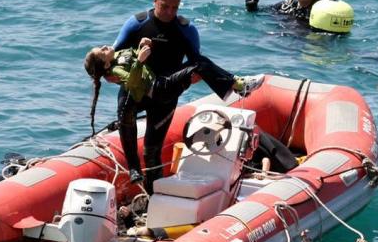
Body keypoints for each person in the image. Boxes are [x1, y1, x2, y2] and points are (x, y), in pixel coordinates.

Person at [104, 0, 262, 193]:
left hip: (166, 92)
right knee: (125, 115)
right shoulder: (137, 23)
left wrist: (192, 78)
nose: (170, 12)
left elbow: (197, 65)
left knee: (153, 149)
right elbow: (112, 58)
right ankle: (133, 168)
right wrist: (108, 74)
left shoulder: (186, 29)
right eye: (165, 6)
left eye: (175, 7)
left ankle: (153, 197)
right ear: (155, 2)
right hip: (137, 86)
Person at [86, 35, 263, 189]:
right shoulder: (114, 71)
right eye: (102, 51)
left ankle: (236, 85)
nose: (104, 46)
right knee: (198, 64)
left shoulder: (117, 55)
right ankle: (238, 85)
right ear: (106, 63)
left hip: (160, 81)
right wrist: (139, 61)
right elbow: (132, 82)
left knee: (198, 62)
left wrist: (141, 46)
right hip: (159, 90)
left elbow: (134, 57)